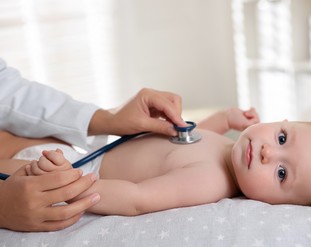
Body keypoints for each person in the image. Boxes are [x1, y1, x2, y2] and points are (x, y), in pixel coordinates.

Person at [1, 107, 311, 218]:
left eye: (281, 173)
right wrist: (226, 118)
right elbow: (195, 137)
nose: (269, 152)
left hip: (82, 171)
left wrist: (76, 187)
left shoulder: (210, 181)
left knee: (18, 170)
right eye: (282, 138)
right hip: (90, 148)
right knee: (15, 136)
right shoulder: (231, 147)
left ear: (274, 205)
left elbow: (139, 196)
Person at [0, 58, 186, 231]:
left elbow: (5, 87)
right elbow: (139, 199)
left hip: (55, 158)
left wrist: (107, 119)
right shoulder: (209, 173)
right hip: (50, 170)